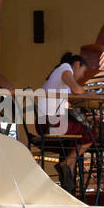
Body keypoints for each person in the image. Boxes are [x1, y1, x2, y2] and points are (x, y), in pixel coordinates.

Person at [40, 52, 94, 193]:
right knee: (90, 134)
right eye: (83, 71)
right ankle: (65, 165)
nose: (82, 76)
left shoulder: (58, 76)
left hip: (46, 122)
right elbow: (77, 89)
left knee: (73, 143)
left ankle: (68, 180)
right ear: (77, 64)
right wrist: (84, 91)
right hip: (52, 122)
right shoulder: (65, 69)